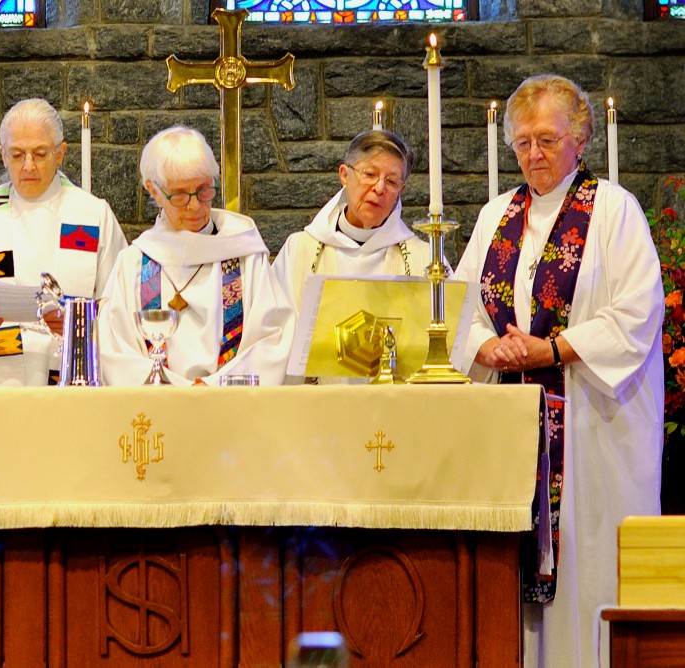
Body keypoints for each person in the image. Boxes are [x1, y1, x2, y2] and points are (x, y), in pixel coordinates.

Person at [450, 75, 664, 668]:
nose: (533, 154)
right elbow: (460, 310)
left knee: (588, 565)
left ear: (580, 138)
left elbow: (635, 315)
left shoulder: (616, 212)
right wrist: (487, 349)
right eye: (522, 143)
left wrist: (552, 350)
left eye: (546, 139)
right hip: (512, 422)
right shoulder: (498, 214)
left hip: (594, 430)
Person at [0, 98, 127, 386]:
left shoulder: (91, 214)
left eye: (40, 153)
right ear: (2, 154)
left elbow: (122, 307)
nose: (28, 166)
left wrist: (80, 325)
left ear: (61, 153)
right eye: (17, 155)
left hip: (72, 381)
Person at [98, 126, 294, 386]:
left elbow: (272, 339)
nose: (194, 206)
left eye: (203, 191)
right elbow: (114, 347)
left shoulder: (246, 256)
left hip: (230, 408)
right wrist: (175, 388)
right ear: (154, 190)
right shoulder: (134, 262)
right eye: (179, 195)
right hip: (158, 410)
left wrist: (213, 386)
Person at [272, 130, 430, 311]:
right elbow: (273, 328)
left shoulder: (424, 260)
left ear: (400, 191)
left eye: (391, 181)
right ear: (345, 175)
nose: (379, 188)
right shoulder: (298, 250)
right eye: (370, 174)